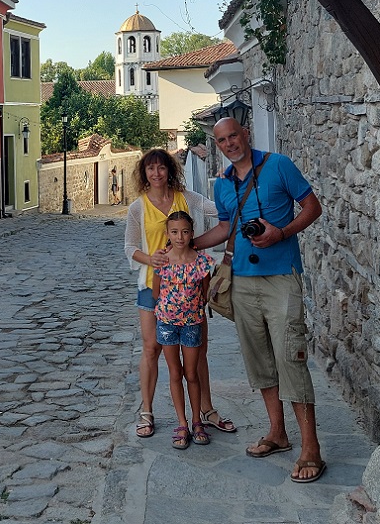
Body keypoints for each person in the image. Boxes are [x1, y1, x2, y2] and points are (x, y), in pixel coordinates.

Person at [201, 118, 326, 483]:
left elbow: (312, 207)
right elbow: (226, 226)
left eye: (233, 136)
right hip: (241, 282)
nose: (229, 144)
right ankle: (277, 433)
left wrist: (281, 232)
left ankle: (311, 449)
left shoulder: (278, 165)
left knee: (292, 358)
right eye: (222, 140)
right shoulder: (223, 184)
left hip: (281, 278)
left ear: (246, 135)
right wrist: (191, 245)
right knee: (260, 361)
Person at [123, 148, 236, 440]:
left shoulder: (187, 198)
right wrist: (152, 259)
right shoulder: (138, 207)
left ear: (169, 170)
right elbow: (129, 247)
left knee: (198, 353)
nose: (157, 173)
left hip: (189, 286)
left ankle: (206, 411)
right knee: (151, 349)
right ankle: (147, 411)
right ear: (144, 173)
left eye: (161, 168)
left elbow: (219, 209)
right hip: (153, 284)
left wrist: (229, 183)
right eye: (151, 169)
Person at [151, 210, 213, 449]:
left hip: (192, 324)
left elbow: (205, 292)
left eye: (185, 232)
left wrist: (191, 309)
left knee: (192, 374)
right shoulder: (162, 261)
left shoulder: (201, 262)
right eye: (174, 232)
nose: (179, 237)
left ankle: (198, 420)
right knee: (175, 374)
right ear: (167, 234)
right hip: (167, 324)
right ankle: (182, 422)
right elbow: (156, 293)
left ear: (191, 234)